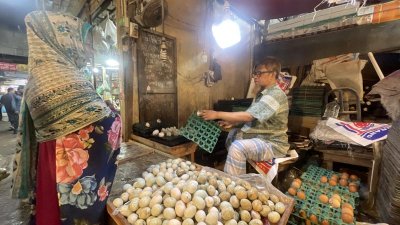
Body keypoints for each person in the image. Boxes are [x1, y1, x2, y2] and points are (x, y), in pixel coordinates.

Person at [12, 11, 121, 225]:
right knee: (64, 212)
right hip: (65, 163)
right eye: (75, 38)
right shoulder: (62, 75)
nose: (81, 46)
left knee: (49, 208)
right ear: (62, 38)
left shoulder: (38, 75)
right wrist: (115, 115)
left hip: (49, 157)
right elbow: (103, 126)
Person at [200, 57, 290, 176]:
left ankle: (236, 186)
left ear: (272, 74)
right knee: (232, 135)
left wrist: (216, 114)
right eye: (255, 73)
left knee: (237, 147)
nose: (255, 76)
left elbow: (249, 116)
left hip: (272, 143)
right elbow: (257, 117)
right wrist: (234, 123)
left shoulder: (275, 95)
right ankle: (239, 173)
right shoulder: (262, 94)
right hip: (260, 136)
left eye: (259, 73)